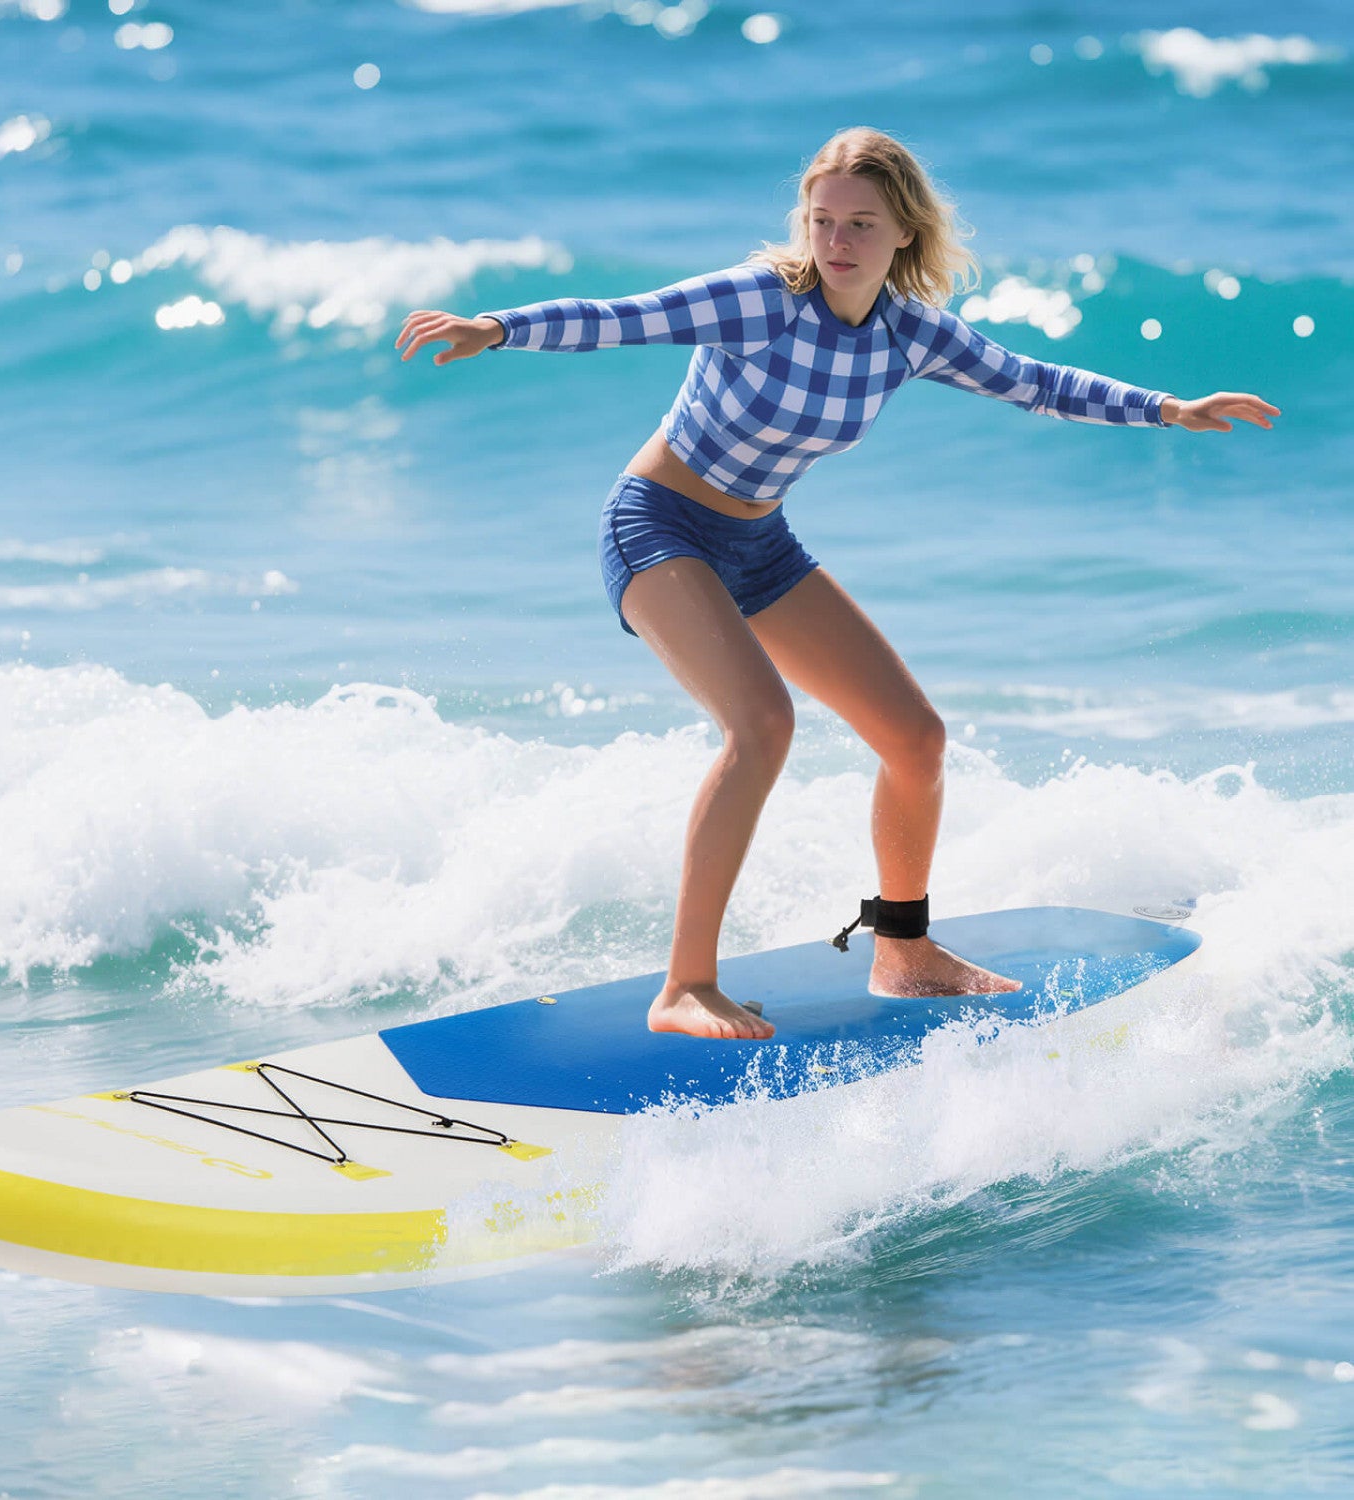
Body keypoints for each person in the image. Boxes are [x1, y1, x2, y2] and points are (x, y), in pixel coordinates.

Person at [395, 127, 1279, 1042]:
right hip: (658, 524)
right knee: (762, 724)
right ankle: (684, 987)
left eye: (861, 223)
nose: (837, 240)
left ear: (905, 232)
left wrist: (1170, 409)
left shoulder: (909, 333)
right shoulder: (759, 301)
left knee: (916, 739)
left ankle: (904, 950)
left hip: (761, 546)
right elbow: (624, 316)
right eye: (822, 219)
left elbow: (1034, 382)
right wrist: (497, 328)